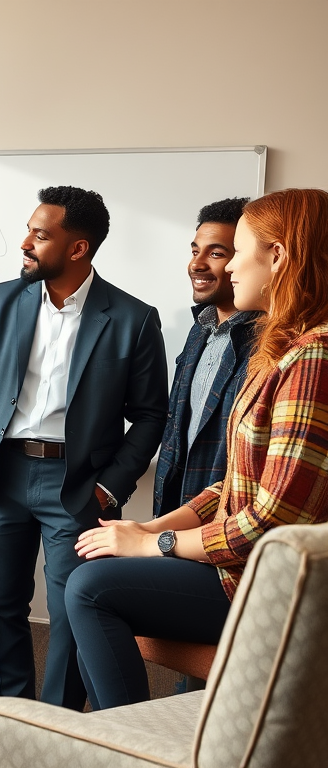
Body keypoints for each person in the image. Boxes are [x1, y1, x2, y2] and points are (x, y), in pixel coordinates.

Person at [67, 188, 328, 710]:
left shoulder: (315, 358)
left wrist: (151, 547)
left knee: (89, 589)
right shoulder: (287, 351)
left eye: (239, 251)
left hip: (266, 582)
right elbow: (234, 485)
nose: (228, 270)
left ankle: (126, 747)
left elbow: (272, 520)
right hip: (241, 563)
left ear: (277, 257)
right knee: (90, 577)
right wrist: (150, 528)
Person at [0, 186, 167, 765]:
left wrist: (109, 487)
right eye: (29, 229)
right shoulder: (4, 300)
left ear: (78, 247)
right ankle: (13, 721)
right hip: (3, 479)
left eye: (40, 235)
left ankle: (52, 732)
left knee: (73, 612)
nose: (25, 243)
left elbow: (151, 417)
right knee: (3, 607)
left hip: (79, 486)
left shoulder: (132, 318)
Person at [154, 198, 259, 518]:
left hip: (226, 523)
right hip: (174, 511)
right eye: (194, 250)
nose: (197, 264)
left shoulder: (267, 345)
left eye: (216, 253)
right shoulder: (199, 329)